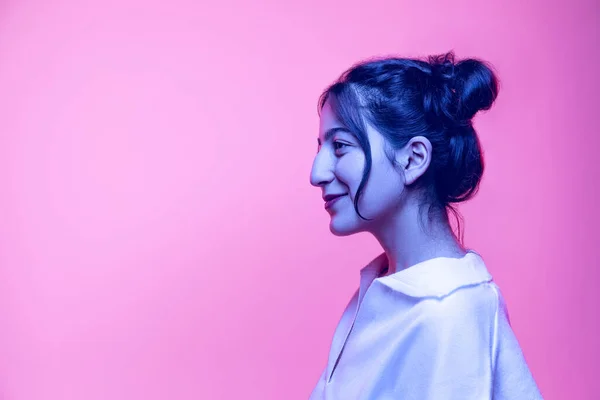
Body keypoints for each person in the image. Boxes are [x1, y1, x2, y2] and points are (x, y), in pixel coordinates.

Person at [308, 51, 543, 399]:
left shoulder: (445, 311)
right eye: (321, 147)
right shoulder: (389, 288)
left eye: (340, 146)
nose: (316, 174)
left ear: (413, 159)